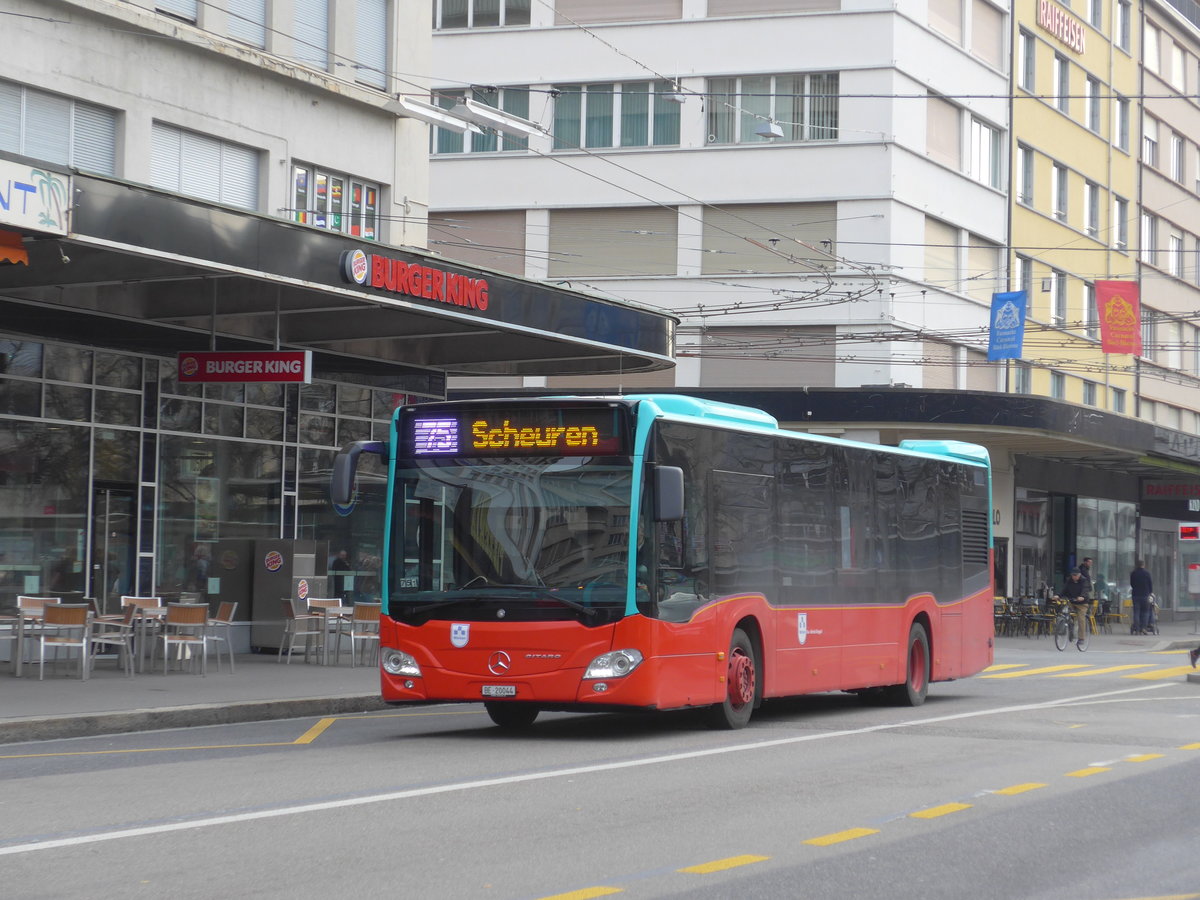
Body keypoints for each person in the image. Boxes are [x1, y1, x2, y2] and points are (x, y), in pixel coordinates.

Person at [1060, 567, 1090, 649]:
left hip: (1082, 603)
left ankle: (1081, 638)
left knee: (1081, 618)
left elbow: (1085, 590)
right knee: (1064, 610)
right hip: (1072, 601)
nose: (1074, 577)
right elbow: (1064, 589)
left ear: (1079, 575)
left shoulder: (1084, 581)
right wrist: (1058, 595)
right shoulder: (1069, 580)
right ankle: (1067, 626)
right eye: (1072, 575)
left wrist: (1082, 596)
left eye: (1075, 575)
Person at [1130, 559, 1153, 636]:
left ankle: (1137, 628)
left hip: (1136, 595)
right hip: (1145, 595)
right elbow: (1150, 584)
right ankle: (1143, 628)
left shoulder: (1133, 573)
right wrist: (1150, 592)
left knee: (1136, 612)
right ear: (1143, 565)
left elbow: (1132, 584)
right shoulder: (1147, 573)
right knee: (1145, 612)